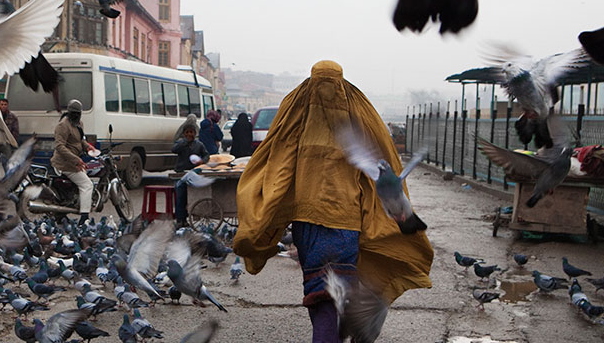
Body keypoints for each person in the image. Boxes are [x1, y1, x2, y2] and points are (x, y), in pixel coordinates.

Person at [234, 61, 433, 342]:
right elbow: (380, 167)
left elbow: (276, 165)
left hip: (308, 227)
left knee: (320, 292)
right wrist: (379, 215)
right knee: (337, 289)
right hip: (346, 224)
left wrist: (267, 208)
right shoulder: (357, 112)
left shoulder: (296, 114)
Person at [51, 100, 97, 225]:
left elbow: (81, 140)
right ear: (70, 113)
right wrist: (76, 160)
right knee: (87, 185)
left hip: (74, 161)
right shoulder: (63, 125)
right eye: (74, 114)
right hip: (64, 163)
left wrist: (89, 147)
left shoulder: (79, 124)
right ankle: (84, 217)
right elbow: (60, 146)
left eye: (78, 114)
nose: (77, 116)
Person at [172, 122, 209, 227]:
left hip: (193, 174)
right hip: (181, 174)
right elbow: (173, 149)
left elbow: (207, 156)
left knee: (191, 197)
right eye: (187, 132)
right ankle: (180, 220)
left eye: (191, 132)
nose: (189, 134)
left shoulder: (199, 145)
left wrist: (202, 161)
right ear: (184, 134)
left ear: (195, 133)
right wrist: (184, 143)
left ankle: (187, 218)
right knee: (180, 197)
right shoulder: (180, 143)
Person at [0, 98, 19, 180]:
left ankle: (10, 183)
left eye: (5, 104)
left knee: (8, 164)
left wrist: (11, 141)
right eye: (2, 104)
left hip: (6, 144)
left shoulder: (12, 117)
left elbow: (15, 131)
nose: (3, 106)